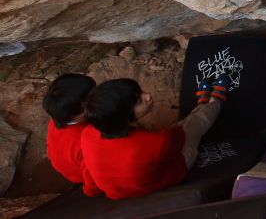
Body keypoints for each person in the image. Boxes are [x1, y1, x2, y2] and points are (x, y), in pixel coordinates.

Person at [80, 76, 229, 199]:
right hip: (171, 172)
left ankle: (201, 104)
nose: (147, 96)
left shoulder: (88, 132)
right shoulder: (154, 143)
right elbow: (176, 138)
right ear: (125, 117)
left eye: (140, 91)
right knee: (194, 125)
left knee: (180, 126)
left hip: (120, 191)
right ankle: (215, 102)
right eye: (139, 101)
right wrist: (171, 134)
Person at [42, 73, 96, 186]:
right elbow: (91, 177)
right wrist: (90, 190)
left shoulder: (55, 121)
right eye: (93, 102)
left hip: (67, 166)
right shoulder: (87, 139)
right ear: (75, 115)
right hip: (82, 176)